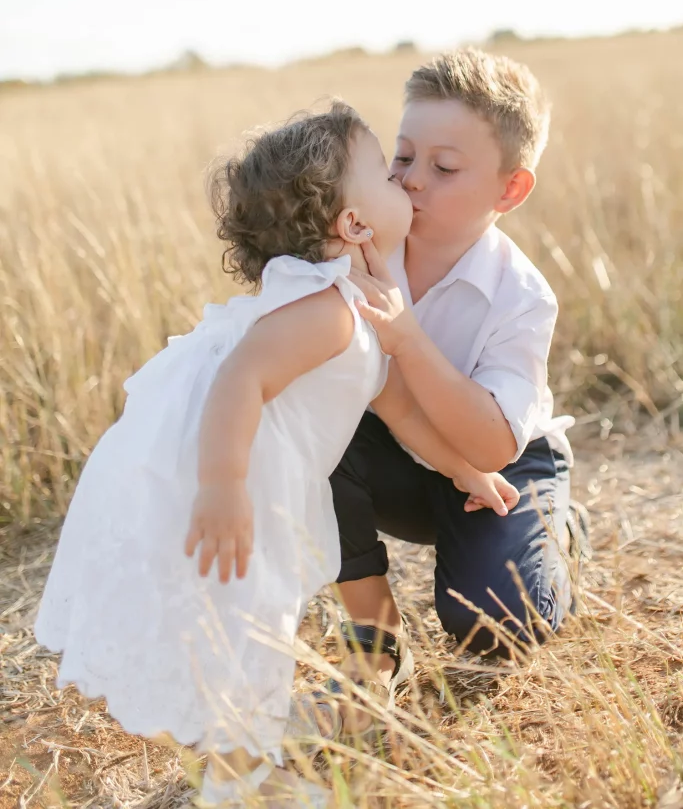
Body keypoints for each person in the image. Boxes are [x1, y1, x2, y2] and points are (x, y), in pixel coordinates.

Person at [34, 101, 520, 808]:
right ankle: (239, 781)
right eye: (384, 173)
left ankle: (233, 768)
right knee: (244, 633)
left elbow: (398, 405)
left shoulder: (366, 303)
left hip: (263, 485)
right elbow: (239, 379)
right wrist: (223, 485)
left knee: (252, 629)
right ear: (353, 225)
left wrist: (460, 466)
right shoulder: (322, 310)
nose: (401, 182)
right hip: (225, 483)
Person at [293, 49, 590, 746]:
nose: (411, 180)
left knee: (492, 625)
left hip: (502, 468)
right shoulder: (357, 246)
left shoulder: (520, 296)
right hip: (392, 456)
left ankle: (559, 535)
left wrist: (406, 338)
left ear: (509, 191)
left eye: (444, 167)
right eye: (401, 157)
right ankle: (374, 645)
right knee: (310, 426)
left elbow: (489, 443)